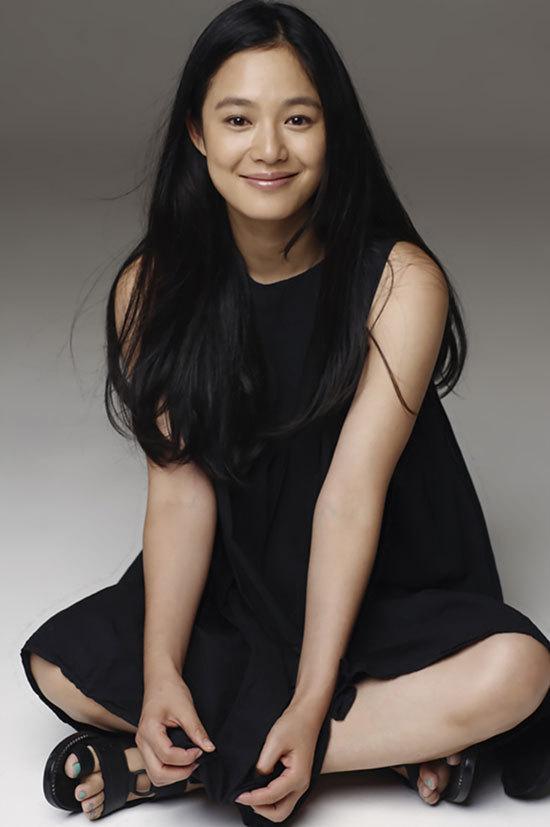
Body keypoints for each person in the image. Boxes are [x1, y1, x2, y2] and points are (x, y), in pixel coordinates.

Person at [20, 1, 550, 824]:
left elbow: (349, 498)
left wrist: (307, 704)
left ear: (332, 131)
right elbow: (181, 492)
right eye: (238, 119)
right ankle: (378, 740)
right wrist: (161, 675)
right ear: (197, 133)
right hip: (242, 574)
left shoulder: (401, 282)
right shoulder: (151, 288)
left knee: (517, 673)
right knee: (57, 665)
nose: (268, 149)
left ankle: (188, 767)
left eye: (298, 119)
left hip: (382, 576)